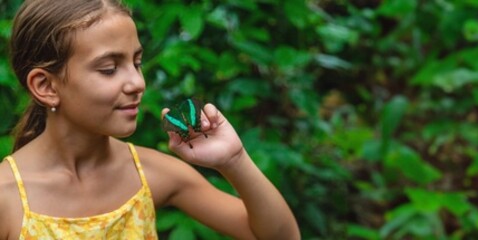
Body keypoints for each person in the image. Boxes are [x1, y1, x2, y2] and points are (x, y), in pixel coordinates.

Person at [0, 0, 299, 238]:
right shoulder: (6, 197)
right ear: (46, 86)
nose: (137, 83)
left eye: (137, 62)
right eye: (109, 69)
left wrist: (234, 160)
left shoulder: (150, 173)